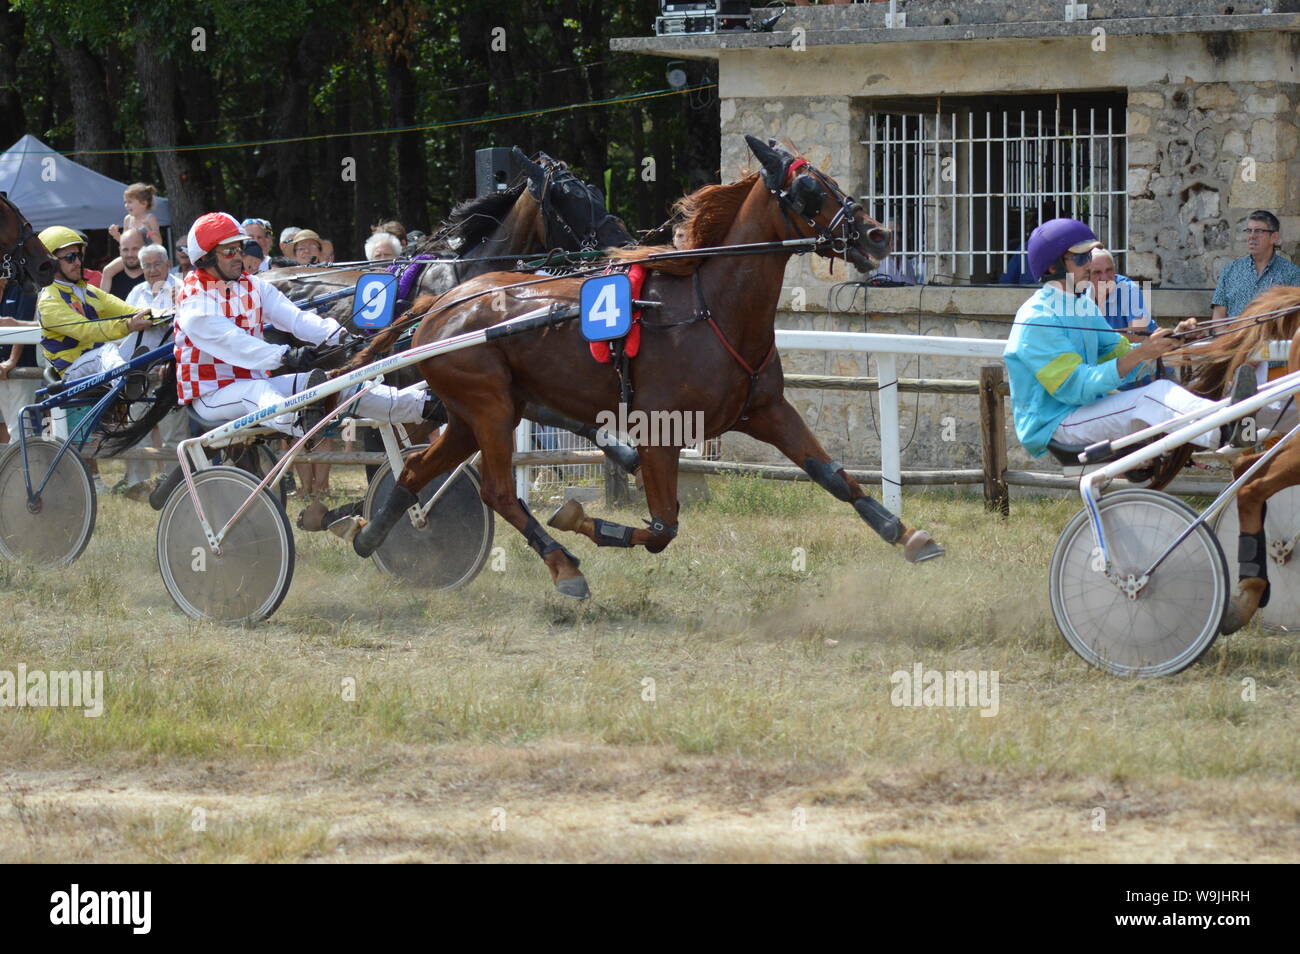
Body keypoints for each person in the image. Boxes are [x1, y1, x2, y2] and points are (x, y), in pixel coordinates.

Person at [1003, 218, 1256, 459]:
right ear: (1053, 266)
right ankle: (1226, 429)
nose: (1090, 265)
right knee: (1152, 396)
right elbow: (1076, 388)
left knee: (1157, 392)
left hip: (1083, 410)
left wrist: (1169, 340)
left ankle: (1229, 419)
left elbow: (1120, 353)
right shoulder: (1038, 318)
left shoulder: (1081, 306)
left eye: (1090, 256)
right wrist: (1143, 353)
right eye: (1081, 258)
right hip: (1055, 423)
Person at [173, 212, 435, 438]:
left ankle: (425, 406)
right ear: (205, 257)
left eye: (240, 248)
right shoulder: (194, 298)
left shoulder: (252, 285)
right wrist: (285, 354)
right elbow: (232, 342)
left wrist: (340, 337)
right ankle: (302, 425)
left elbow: (295, 319)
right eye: (229, 250)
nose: (238, 256)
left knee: (339, 386)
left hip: (256, 390)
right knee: (257, 389)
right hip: (210, 396)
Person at [36, 226, 154, 382]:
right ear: (51, 262)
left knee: (153, 329)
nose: (78, 262)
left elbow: (131, 311)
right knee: (105, 351)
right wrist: (128, 325)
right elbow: (87, 330)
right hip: (71, 370)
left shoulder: (87, 290)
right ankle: (126, 383)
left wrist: (163, 314)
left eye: (79, 256)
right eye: (70, 257)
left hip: (99, 361)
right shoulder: (48, 301)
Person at [1211, 209, 1300, 321]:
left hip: (1271, 338)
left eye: (1258, 231)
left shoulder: (1292, 274)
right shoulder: (1230, 270)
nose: (1252, 236)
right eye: (1249, 231)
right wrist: (1229, 337)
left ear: (1274, 237)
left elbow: (1294, 320)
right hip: (1233, 337)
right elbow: (1218, 319)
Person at [0, 276, 39, 445]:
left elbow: (23, 326)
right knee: (11, 427)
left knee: (21, 428)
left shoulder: (25, 287)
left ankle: (24, 470)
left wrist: (11, 361)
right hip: (3, 369)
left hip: (23, 369)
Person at [98, 227, 147, 300]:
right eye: (125, 250)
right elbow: (102, 307)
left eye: (135, 249)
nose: (130, 254)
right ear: (120, 250)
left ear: (144, 248)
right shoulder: (110, 277)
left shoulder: (153, 276)